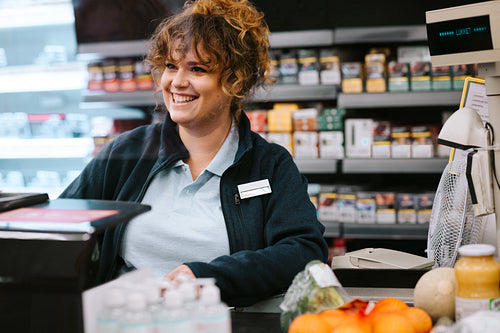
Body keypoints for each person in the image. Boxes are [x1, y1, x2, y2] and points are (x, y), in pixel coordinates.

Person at [60, 0, 328, 307]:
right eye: (171, 66)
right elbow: (62, 223)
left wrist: (206, 277)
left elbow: (304, 249)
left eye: (197, 69)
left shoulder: (269, 164)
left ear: (235, 81)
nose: (177, 82)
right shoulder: (127, 153)